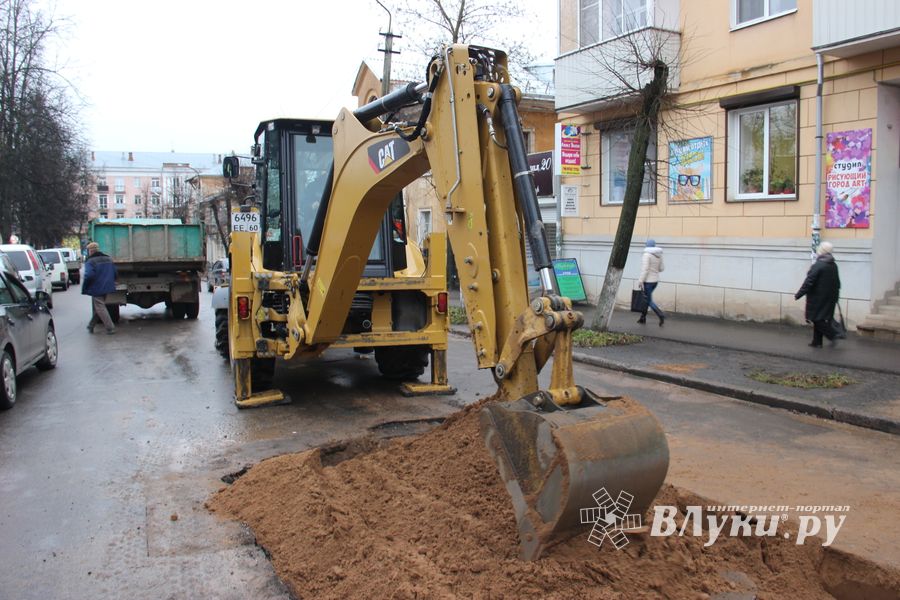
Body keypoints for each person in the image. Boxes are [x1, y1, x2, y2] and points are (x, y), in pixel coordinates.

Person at [795, 241, 841, 348]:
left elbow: (809, 281)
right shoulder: (833, 265)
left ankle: (833, 335)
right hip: (830, 297)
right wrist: (836, 296)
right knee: (819, 318)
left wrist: (799, 294)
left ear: (821, 251)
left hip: (817, 297)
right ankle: (817, 342)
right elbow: (837, 283)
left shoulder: (819, 265)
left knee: (817, 319)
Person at [82, 242, 117, 334]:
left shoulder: (90, 261)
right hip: (108, 286)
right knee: (100, 306)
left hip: (97, 287)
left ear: (90, 251)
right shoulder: (108, 259)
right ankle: (91, 325)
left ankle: (110, 327)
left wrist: (86, 286)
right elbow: (115, 272)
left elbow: (88, 275)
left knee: (100, 306)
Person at [637, 239, 666, 326]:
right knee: (646, 299)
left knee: (649, 301)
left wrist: (640, 280)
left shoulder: (646, 255)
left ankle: (660, 315)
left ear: (647, 245)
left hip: (648, 282)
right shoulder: (659, 255)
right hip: (655, 281)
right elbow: (661, 268)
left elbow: (645, 269)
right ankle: (642, 318)